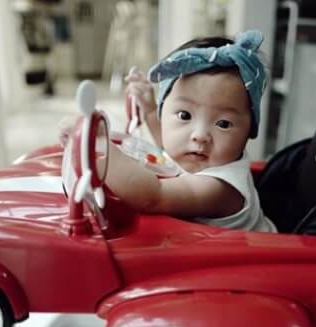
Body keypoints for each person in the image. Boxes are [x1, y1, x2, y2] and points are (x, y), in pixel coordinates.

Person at [103, 30, 276, 232]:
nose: (200, 136)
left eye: (223, 124)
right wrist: (150, 111)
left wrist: (100, 150)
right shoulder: (200, 157)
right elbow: (169, 147)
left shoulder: (221, 187)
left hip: (259, 251)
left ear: (249, 133)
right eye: (184, 115)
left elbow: (153, 197)